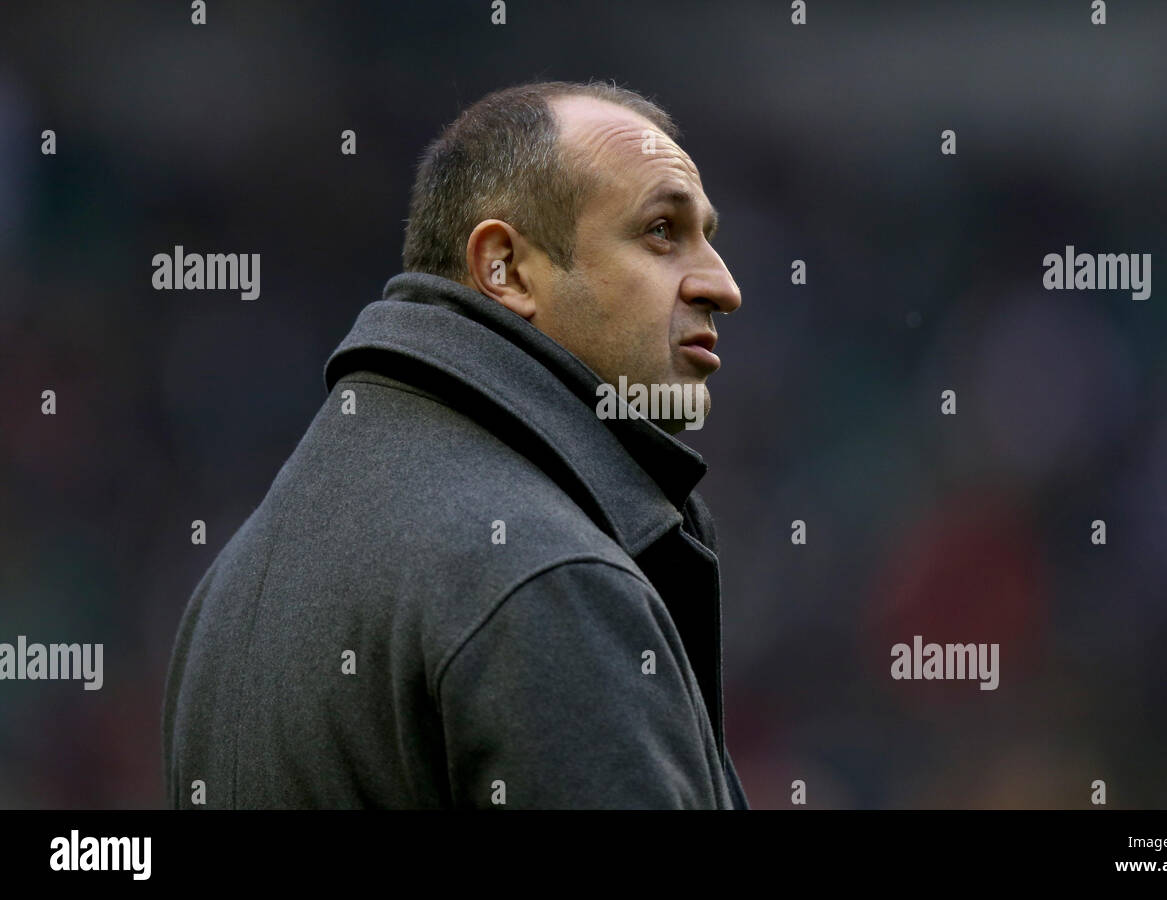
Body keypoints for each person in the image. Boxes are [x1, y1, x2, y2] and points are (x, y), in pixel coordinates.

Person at [161, 79, 746, 809]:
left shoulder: (235, 580)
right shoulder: (548, 575)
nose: (723, 287)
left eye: (709, 238)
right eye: (662, 231)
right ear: (503, 266)